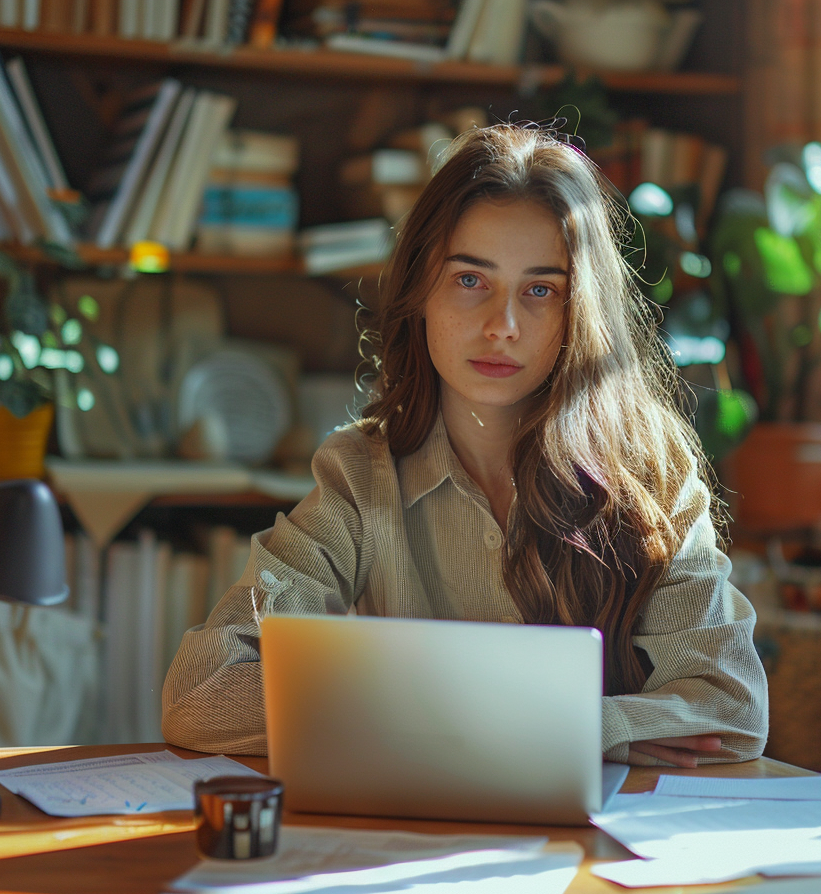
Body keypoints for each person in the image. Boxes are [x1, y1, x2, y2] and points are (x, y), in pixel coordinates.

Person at [162, 124, 767, 768]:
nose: (502, 325)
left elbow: (729, 708)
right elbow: (201, 694)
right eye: (471, 280)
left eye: (541, 290)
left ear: (579, 314)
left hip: (602, 850)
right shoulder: (362, 478)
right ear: (421, 291)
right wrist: (567, 726)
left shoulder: (650, 476)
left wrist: (415, 722)